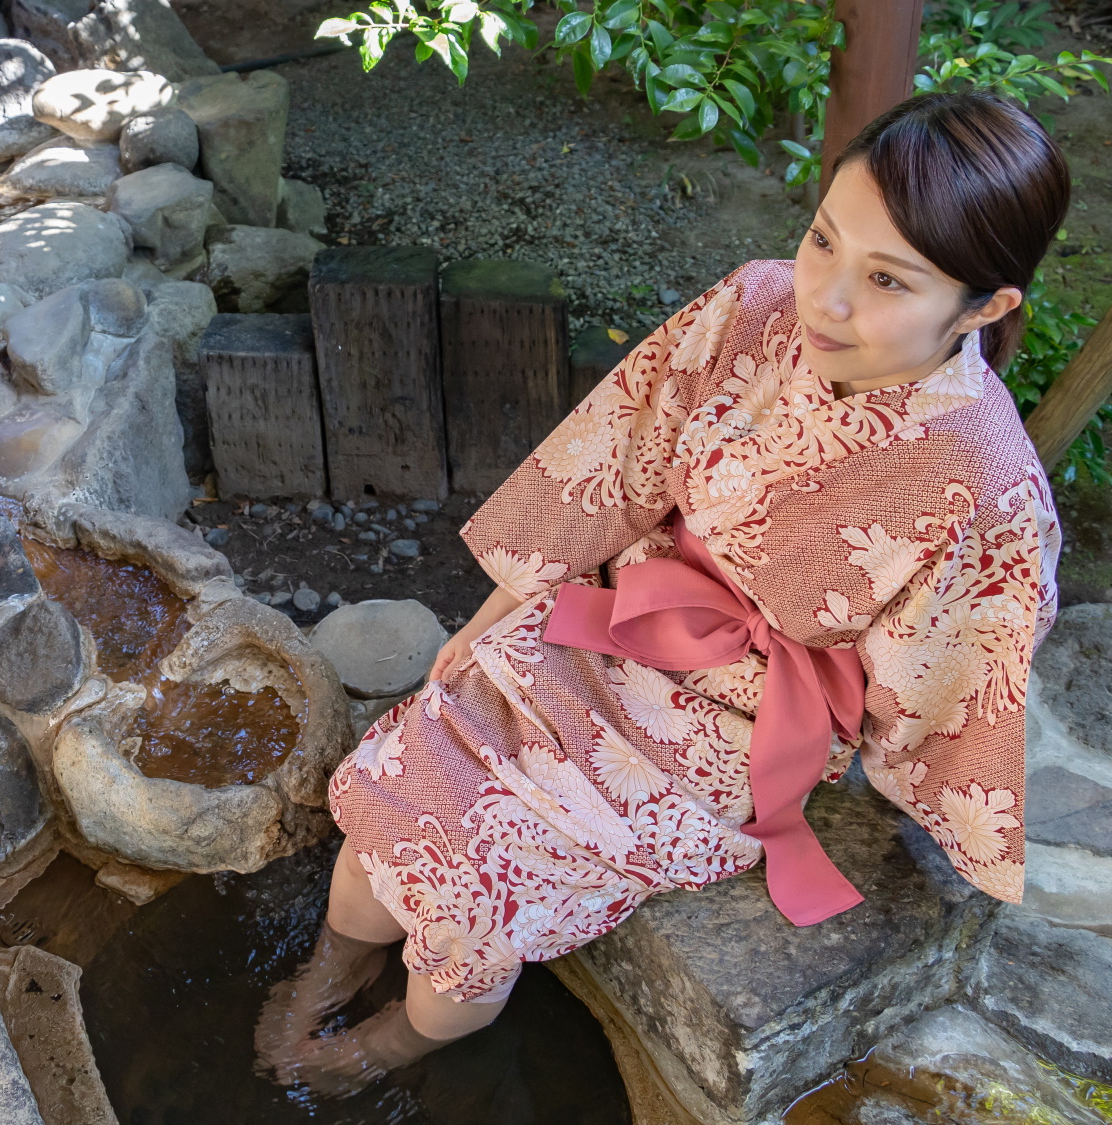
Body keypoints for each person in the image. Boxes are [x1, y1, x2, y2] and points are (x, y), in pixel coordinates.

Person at [255, 90, 1067, 1096]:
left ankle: (391, 1043)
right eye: (822, 241)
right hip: (620, 610)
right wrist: (492, 614)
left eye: (887, 279)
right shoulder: (754, 305)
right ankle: (327, 970)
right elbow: (619, 460)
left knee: (477, 880)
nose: (827, 299)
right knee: (413, 766)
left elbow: (944, 685)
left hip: (727, 723)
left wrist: (921, 805)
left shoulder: (984, 487)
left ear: (984, 307)